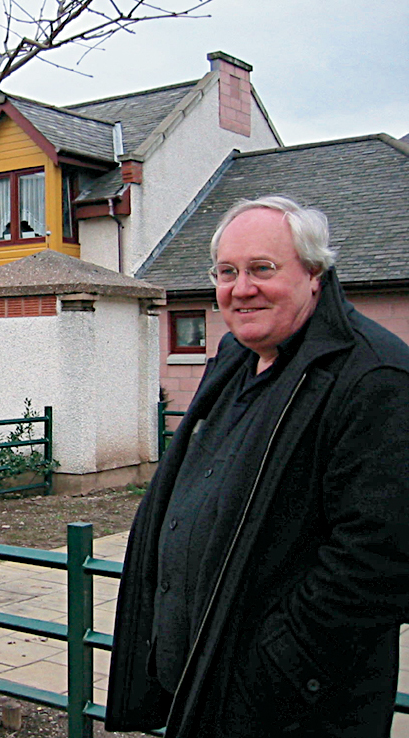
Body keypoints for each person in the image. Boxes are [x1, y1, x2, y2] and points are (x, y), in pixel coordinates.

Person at [105, 196, 409, 737]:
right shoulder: (236, 358)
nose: (241, 289)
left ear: (314, 273)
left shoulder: (374, 377)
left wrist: (269, 671)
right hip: (198, 691)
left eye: (262, 269)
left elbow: (377, 562)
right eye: (227, 272)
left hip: (288, 712)